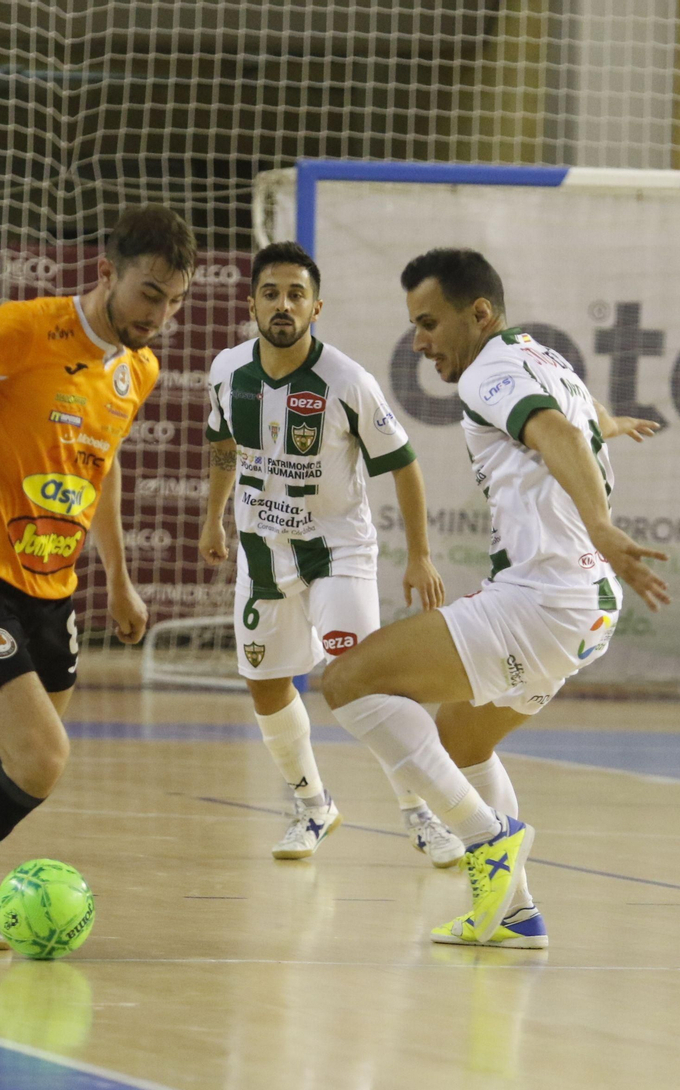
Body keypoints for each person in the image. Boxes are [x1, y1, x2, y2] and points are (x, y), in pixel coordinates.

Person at [320, 249, 668, 948]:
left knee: (347, 681)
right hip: (586, 606)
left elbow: (560, 432)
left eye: (429, 323)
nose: (419, 343)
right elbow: (579, 416)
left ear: (479, 314)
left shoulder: (488, 372)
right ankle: (516, 913)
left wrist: (600, 522)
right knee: (461, 735)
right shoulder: (539, 356)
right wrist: (611, 420)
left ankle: (486, 838)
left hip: (545, 597)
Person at [0, 205, 197, 949]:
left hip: (53, 586)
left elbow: (102, 464)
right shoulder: (30, 326)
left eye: (176, 300)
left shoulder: (139, 365)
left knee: (8, 747)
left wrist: (118, 577)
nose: (162, 315)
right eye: (150, 293)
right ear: (107, 273)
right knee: (43, 756)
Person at [198, 242, 464, 866]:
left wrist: (419, 555)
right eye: (271, 293)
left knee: (364, 681)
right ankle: (313, 806)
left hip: (337, 555)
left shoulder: (348, 381)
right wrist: (213, 516)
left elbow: (403, 466)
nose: (282, 304)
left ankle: (421, 812)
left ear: (317, 307)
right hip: (263, 558)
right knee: (265, 685)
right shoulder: (226, 371)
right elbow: (221, 446)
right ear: (253, 303)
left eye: (296, 294)